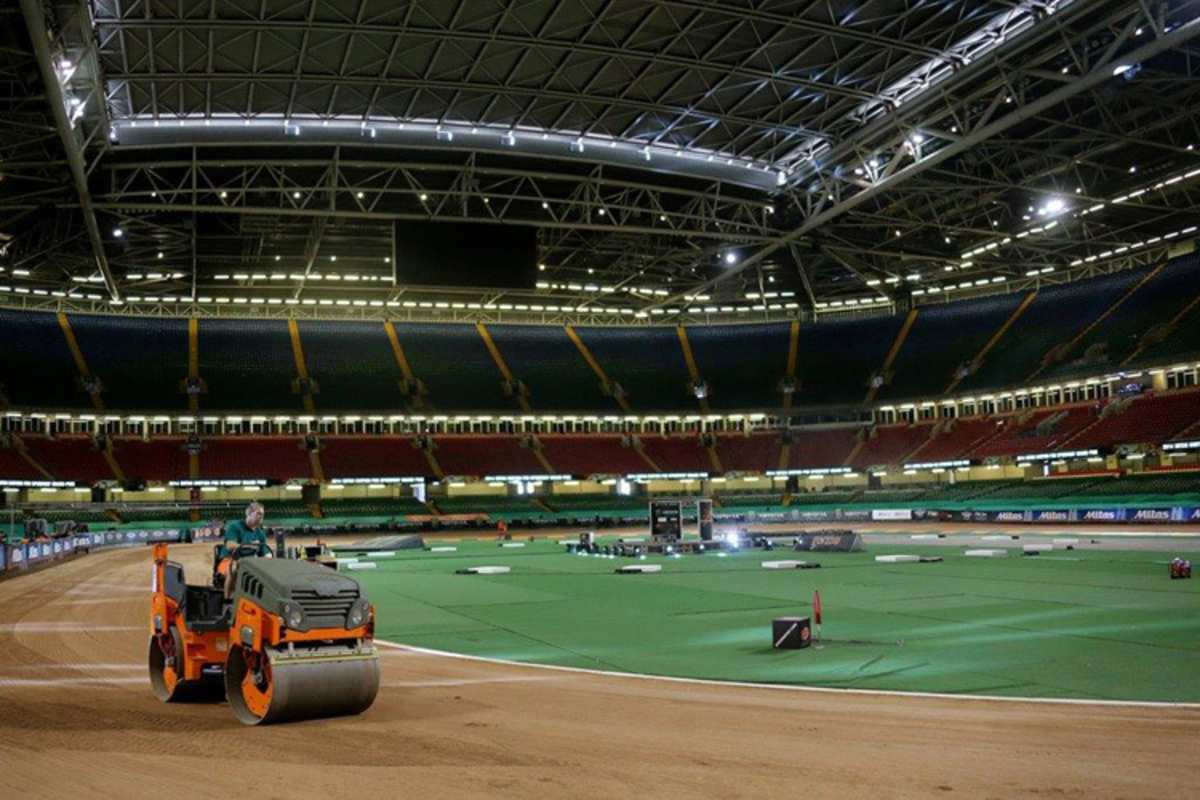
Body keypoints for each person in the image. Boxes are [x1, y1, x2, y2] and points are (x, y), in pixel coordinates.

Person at [217, 501, 269, 598]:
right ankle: (227, 600)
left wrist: (269, 558)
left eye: (262, 514)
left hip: (250, 563)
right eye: (258, 514)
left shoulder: (260, 534)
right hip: (230, 560)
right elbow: (229, 545)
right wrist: (248, 546)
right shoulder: (235, 526)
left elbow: (265, 553)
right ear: (249, 513)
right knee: (234, 569)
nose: (261, 516)